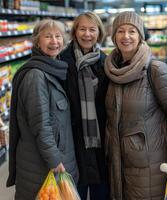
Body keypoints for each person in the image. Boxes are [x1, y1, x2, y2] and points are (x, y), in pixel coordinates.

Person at [6, 19, 78, 200]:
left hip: (51, 161)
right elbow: (41, 125)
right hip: (42, 167)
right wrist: (55, 161)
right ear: (37, 41)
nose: (54, 41)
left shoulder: (52, 69)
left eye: (58, 36)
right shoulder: (36, 76)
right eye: (48, 36)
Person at [104, 11, 167, 200]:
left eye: (132, 31)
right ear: (114, 36)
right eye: (120, 31)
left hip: (150, 164)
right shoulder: (111, 70)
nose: (126, 37)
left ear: (140, 35)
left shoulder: (155, 69)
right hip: (118, 163)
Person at [60, 11, 109, 200]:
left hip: (100, 141)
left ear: (99, 33)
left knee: (101, 190)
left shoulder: (106, 62)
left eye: (92, 29)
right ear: (74, 32)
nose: (87, 34)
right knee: (75, 191)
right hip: (73, 140)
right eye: (82, 29)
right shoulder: (62, 62)